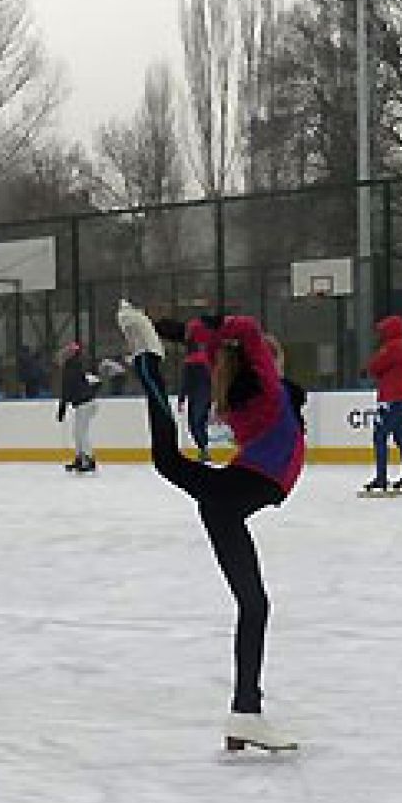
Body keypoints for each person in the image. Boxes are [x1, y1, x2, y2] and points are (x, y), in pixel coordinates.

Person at [113, 300, 302, 752]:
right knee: (254, 606)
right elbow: (246, 327)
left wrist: (177, 332)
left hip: (228, 498)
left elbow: (234, 344)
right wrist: (186, 329)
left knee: (253, 605)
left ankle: (147, 359)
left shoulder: (252, 399)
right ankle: (246, 712)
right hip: (232, 494)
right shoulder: (267, 391)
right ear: (263, 361)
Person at [364, 315, 402, 493]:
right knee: (401, 437)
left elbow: (375, 366)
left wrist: (369, 369)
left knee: (380, 436)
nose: (380, 334)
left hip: (391, 399)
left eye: (383, 330)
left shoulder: (392, 347)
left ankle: (381, 478)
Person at [56, 341, 100, 473]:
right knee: (77, 433)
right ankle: (80, 458)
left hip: (84, 404)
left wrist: (62, 407)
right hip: (86, 403)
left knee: (81, 433)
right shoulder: (76, 366)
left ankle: (89, 460)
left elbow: (66, 389)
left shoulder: (70, 368)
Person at [178, 319, 216, 460]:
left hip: (197, 395)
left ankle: (204, 449)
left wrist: (182, 398)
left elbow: (186, 381)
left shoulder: (192, 359)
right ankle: (204, 448)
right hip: (207, 394)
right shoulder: (208, 357)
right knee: (201, 422)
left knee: (194, 423)